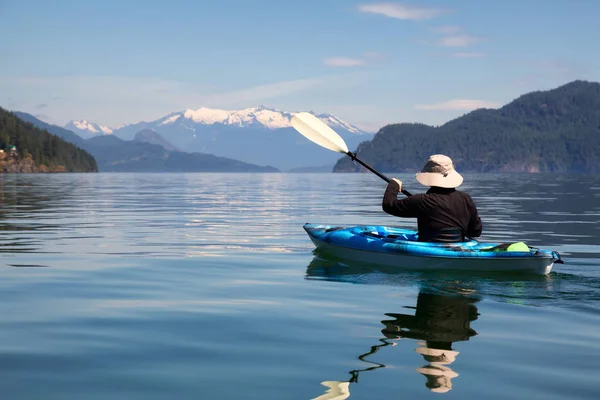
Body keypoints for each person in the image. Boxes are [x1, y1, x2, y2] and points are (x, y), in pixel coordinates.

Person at [382, 154, 482, 242]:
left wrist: (393, 186)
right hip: (457, 248)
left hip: (427, 250)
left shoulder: (421, 201)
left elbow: (388, 205)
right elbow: (476, 232)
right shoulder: (466, 199)